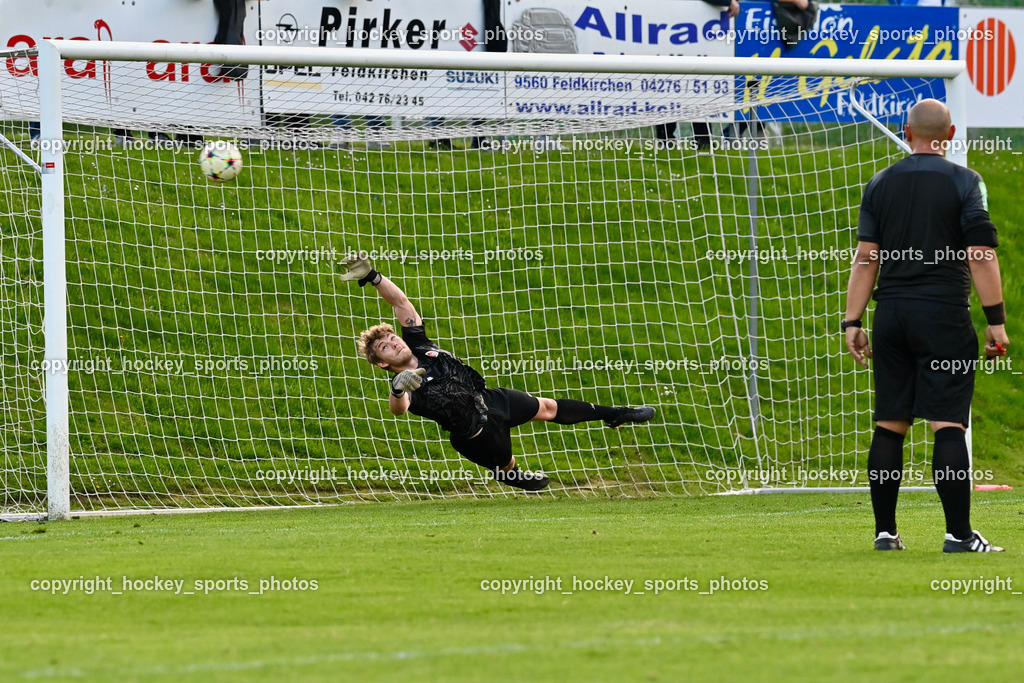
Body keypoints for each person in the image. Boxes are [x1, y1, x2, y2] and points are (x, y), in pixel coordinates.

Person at [842, 98, 1010, 553]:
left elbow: (866, 258)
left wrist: (852, 320)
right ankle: (958, 535)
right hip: (942, 315)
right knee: (947, 424)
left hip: (892, 315)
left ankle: (885, 533)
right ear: (950, 135)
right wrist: (995, 321)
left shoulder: (879, 183)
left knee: (890, 423)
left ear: (906, 131)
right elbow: (981, 255)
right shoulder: (966, 181)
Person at [342, 253, 656, 491]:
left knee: (547, 407)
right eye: (384, 347)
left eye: (392, 337)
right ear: (382, 363)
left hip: (490, 399)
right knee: (507, 466)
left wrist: (373, 276)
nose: (393, 342)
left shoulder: (419, 344)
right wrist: (398, 388)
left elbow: (400, 302)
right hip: (474, 432)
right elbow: (398, 409)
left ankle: (616, 413)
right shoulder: (404, 383)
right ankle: (509, 475)